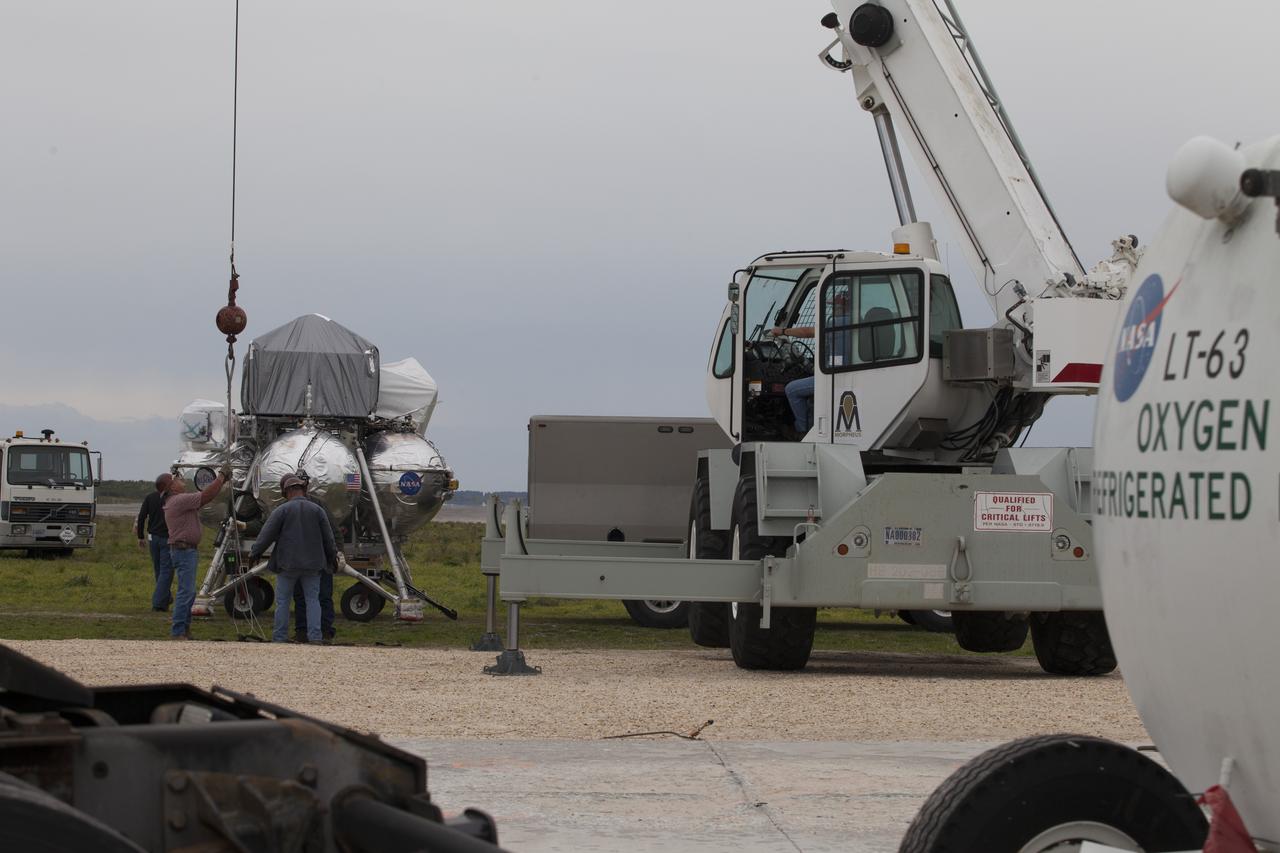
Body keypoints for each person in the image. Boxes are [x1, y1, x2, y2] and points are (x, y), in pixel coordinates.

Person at [250, 474, 338, 644]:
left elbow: (266, 535)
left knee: (283, 602)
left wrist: (255, 553)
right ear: (302, 490)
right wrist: (333, 557)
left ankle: (280, 637)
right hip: (313, 565)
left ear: (286, 491)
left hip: (287, 564)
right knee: (313, 600)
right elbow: (329, 538)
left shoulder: (282, 510)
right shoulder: (317, 510)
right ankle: (315, 637)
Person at [162, 466, 230, 640]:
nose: (180, 480)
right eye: (176, 478)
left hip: (184, 550)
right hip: (184, 551)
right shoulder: (179, 500)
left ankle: (183, 629)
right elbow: (205, 496)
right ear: (172, 487)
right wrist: (221, 477)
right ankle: (178, 631)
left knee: (188, 592)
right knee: (186, 592)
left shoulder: (176, 501)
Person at [293, 479, 338, 642]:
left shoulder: (320, 507)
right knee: (301, 597)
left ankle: (325, 631)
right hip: (300, 560)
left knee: (323, 596)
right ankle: (302, 631)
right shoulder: (287, 507)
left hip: (320, 560)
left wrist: (335, 555)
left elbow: (332, 532)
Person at [769, 322, 816, 436]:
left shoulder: (835, 323)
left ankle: (802, 431)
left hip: (832, 378)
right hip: (835, 375)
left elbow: (807, 332)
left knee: (791, 389)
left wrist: (783, 331)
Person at [135, 473, 174, 611]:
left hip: (152, 538)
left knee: (158, 570)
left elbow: (141, 517)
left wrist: (140, 536)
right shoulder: (172, 498)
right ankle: (158, 603)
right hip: (166, 539)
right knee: (166, 571)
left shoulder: (150, 497)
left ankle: (166, 597)